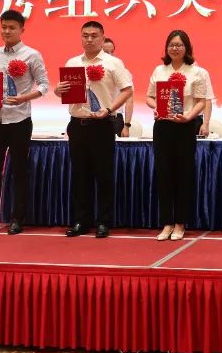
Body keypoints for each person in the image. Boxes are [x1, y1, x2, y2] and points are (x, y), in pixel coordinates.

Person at [0, 10, 49, 236]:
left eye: (12, 28)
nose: (7, 31)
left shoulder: (32, 55)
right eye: (4, 27)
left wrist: (25, 97)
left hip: (19, 120)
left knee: (19, 170)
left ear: (21, 30)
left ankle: (17, 218)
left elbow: (44, 85)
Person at [55, 21, 133, 239]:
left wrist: (109, 109)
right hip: (77, 124)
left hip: (102, 125)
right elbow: (64, 93)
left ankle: (104, 221)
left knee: (103, 175)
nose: (89, 39)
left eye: (94, 35)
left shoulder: (113, 63)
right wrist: (58, 90)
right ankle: (81, 221)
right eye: (85, 35)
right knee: (80, 175)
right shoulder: (72, 62)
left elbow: (127, 90)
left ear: (102, 37)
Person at [146, 30, 209, 242]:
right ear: (166, 48)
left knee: (183, 175)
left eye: (179, 45)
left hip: (185, 127)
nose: (175, 48)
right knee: (164, 174)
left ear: (186, 48)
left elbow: (201, 101)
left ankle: (180, 223)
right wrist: (157, 108)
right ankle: (167, 223)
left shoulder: (197, 72)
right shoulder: (159, 70)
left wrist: (189, 116)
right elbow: (149, 97)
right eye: (171, 45)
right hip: (162, 127)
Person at [102, 37, 132, 137]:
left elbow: (129, 100)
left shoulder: (123, 71)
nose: (110, 55)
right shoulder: (91, 71)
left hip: (115, 117)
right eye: (106, 52)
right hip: (94, 117)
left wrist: (127, 125)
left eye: (112, 52)